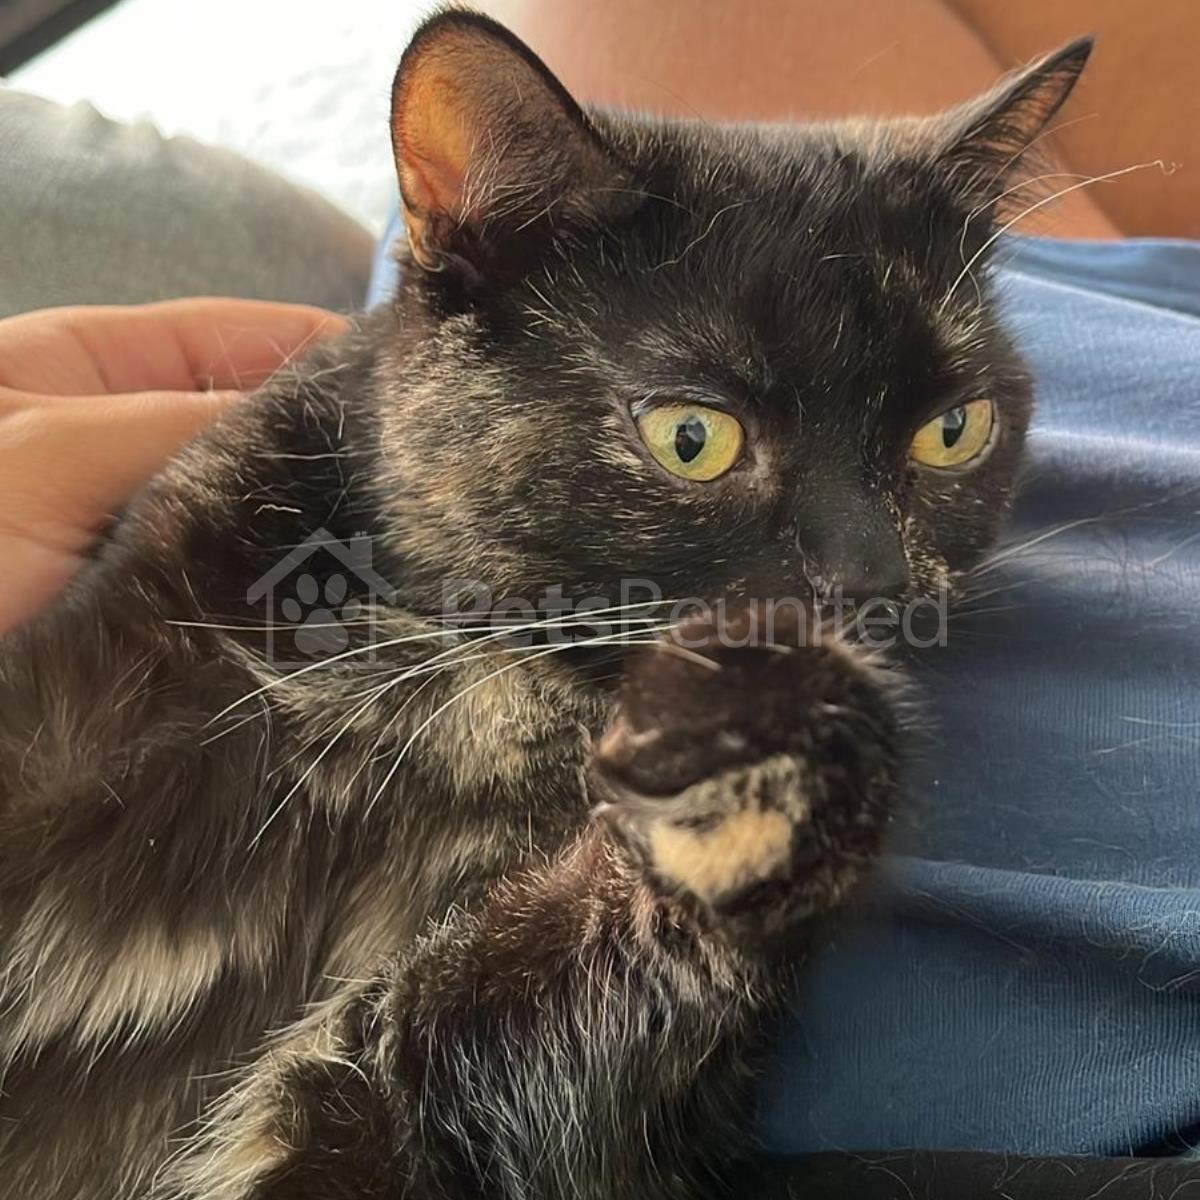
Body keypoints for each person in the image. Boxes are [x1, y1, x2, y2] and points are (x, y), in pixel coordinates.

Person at [2, 2, 1199, 1196]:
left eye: (947, 434)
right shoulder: (259, 534)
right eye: (694, 440)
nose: (873, 575)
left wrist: (681, 901)